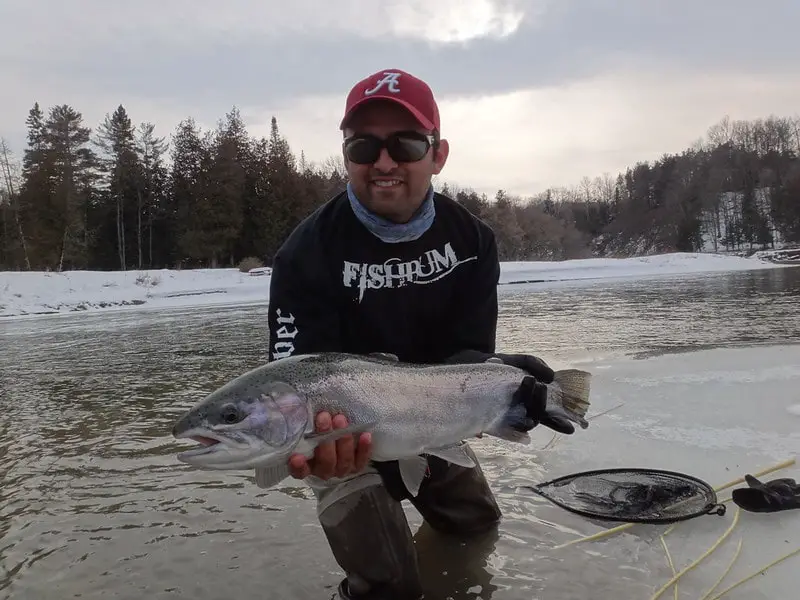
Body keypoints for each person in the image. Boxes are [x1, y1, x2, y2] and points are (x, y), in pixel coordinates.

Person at [266, 68, 570, 600]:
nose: (384, 163)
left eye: (405, 144)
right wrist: (312, 450)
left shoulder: (472, 240)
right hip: (343, 438)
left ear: (438, 153)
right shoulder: (304, 254)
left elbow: (465, 352)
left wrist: (502, 376)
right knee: (388, 583)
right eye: (364, 146)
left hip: (429, 415)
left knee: (475, 526)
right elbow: (296, 376)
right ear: (346, 156)